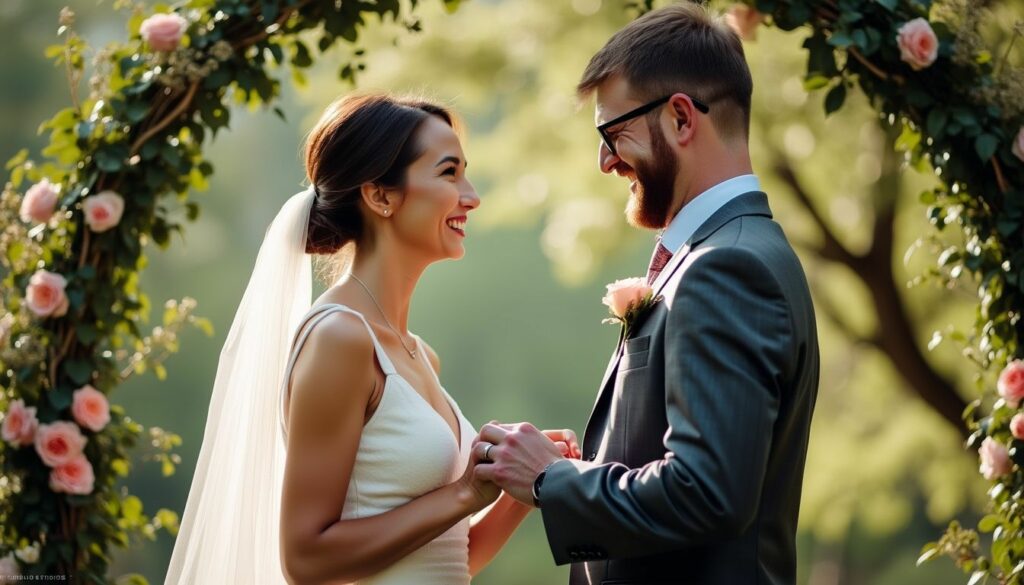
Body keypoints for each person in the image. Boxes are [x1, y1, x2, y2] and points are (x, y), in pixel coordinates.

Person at [164, 93, 579, 585]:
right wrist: (466, 492)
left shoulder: (421, 354)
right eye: (448, 173)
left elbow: (448, 560)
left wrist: (519, 483)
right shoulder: (340, 338)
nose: (471, 195)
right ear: (380, 196)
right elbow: (307, 560)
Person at [473, 4, 820, 585]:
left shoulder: (727, 266)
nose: (605, 161)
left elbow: (707, 491)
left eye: (613, 133)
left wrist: (548, 481)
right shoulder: (724, 254)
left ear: (682, 119)